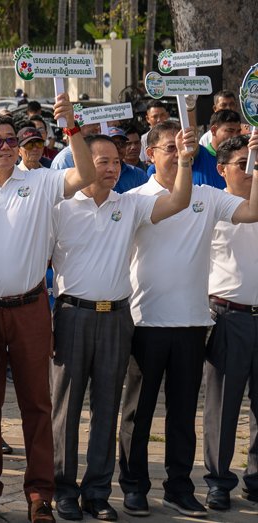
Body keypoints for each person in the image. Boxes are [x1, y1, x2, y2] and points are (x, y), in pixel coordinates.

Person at [0, 96, 97, 523]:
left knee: (37, 404)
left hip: (31, 307)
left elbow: (85, 173)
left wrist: (69, 125)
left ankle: (39, 495)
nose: (5, 147)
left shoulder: (41, 180)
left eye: (11, 140)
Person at [49, 133, 192, 521]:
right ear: (83, 163)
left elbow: (179, 200)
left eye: (116, 162)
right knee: (66, 408)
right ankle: (63, 489)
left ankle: (97, 491)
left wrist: (184, 159)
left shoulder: (130, 205)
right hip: (72, 315)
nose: (113, 168)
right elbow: (37, 262)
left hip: (117, 316)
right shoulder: (60, 208)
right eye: (103, 161)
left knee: (106, 408)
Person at [119, 123, 258, 518]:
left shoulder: (208, 196)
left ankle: (179, 488)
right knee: (138, 414)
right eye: (169, 147)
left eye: (186, 146)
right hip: (146, 321)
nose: (180, 152)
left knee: (182, 416)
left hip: (193, 322)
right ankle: (133, 486)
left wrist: (257, 162)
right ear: (150, 154)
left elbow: (252, 210)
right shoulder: (134, 199)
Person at [202, 134, 258, 510]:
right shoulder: (211, 207)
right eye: (244, 163)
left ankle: (255, 480)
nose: (251, 170)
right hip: (229, 316)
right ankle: (219, 480)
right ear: (222, 169)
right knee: (223, 406)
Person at [105, 128, 148, 193]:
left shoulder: (139, 174)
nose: (118, 147)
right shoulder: (96, 176)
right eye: (113, 143)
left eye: (122, 143)